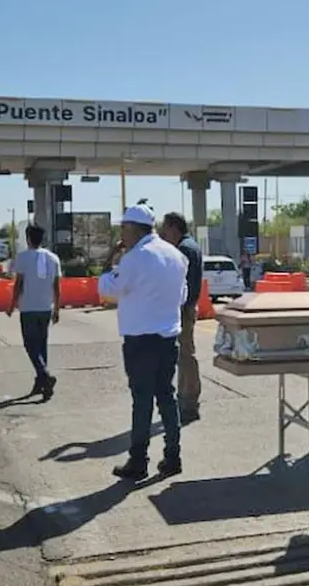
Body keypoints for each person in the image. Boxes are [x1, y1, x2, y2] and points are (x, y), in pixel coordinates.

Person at [98, 203, 189, 480]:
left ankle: (138, 460)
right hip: (168, 337)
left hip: (140, 340)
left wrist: (110, 259)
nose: (121, 235)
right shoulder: (175, 255)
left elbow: (108, 291)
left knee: (142, 401)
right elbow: (182, 296)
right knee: (167, 397)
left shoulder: (135, 257)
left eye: (123, 229)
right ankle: (173, 456)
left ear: (133, 228)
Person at [7, 224, 62, 401]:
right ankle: (43, 385)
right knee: (41, 345)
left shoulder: (23, 257)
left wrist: (12, 304)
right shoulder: (53, 258)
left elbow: (19, 284)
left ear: (28, 238)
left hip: (29, 308)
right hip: (46, 307)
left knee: (30, 345)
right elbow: (57, 286)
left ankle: (45, 375)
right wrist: (57, 307)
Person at [158, 211, 204, 424]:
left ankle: (189, 402)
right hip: (187, 307)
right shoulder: (189, 246)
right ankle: (186, 400)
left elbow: (183, 283)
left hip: (184, 309)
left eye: (165, 228)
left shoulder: (184, 249)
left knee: (186, 356)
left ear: (175, 227)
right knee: (184, 356)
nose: (163, 233)